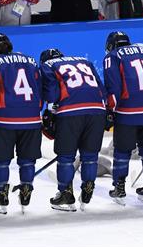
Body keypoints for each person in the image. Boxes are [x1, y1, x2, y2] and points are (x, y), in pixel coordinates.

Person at [0, 33, 42, 213]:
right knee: (27, 160)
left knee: (1, 160)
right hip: (32, 118)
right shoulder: (31, 61)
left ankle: (1, 196)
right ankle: (26, 190)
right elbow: (40, 88)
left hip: (5, 119)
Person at [39, 47, 107, 211]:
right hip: (97, 110)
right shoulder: (85, 62)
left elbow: (52, 95)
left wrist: (50, 112)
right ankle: (88, 186)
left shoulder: (47, 65)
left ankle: (65, 194)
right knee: (90, 156)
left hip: (70, 112)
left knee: (66, 156)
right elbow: (102, 90)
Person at [103, 32, 143, 204]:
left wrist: (109, 110)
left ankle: (119, 187)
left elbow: (114, 87)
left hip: (128, 111)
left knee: (122, 151)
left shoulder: (113, 56)